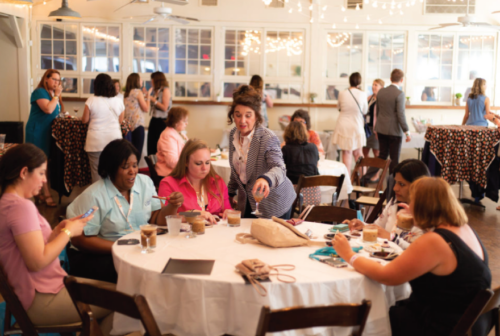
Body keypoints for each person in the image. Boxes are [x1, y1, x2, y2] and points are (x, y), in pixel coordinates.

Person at [333, 177, 491, 336]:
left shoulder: (435, 242)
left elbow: (386, 276)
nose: (410, 206)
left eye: (413, 201)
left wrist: (349, 254)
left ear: (423, 206)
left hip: (436, 327)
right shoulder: (464, 229)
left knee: (363, 320)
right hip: (467, 323)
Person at [0, 144, 114, 334]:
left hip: (34, 292)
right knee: (124, 301)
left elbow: (27, 248)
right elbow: (36, 262)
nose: (45, 180)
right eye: (42, 173)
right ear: (24, 172)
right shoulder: (21, 207)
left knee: (118, 291)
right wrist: (67, 233)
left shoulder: (7, 203)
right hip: (40, 296)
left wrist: (58, 231)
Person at [66, 139, 183, 283]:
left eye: (134, 165)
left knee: (170, 260)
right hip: (96, 255)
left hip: (135, 248)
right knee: (140, 274)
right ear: (111, 168)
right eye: (125, 166)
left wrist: (172, 206)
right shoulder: (94, 196)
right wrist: (122, 247)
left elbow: (156, 220)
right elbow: (80, 240)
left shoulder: (145, 183)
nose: (133, 171)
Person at [227, 85, 295, 219]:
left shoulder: (267, 137)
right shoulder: (233, 135)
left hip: (274, 203)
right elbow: (238, 169)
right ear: (232, 115)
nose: (242, 121)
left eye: (248, 115)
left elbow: (279, 168)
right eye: (238, 115)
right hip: (248, 202)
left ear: (256, 116)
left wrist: (266, 179)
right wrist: (229, 193)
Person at [344, 159, 430, 249]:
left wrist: (391, 238)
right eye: (395, 182)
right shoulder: (394, 203)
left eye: (401, 184)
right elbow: (378, 227)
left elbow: (418, 252)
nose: (395, 188)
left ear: (418, 186)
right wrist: (363, 226)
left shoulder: (427, 216)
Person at [158, 139, 232, 224]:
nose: (204, 168)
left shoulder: (217, 181)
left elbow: (227, 208)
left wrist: (228, 212)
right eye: (198, 163)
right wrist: (191, 215)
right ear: (186, 162)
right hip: (185, 235)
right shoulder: (168, 184)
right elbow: (163, 218)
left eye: (207, 163)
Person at [25, 69, 65, 207]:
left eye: (58, 80)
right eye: (54, 79)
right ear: (46, 79)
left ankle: (39, 194)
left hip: (47, 133)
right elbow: (48, 109)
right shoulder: (39, 92)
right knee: (38, 163)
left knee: (45, 163)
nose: (56, 83)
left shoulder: (53, 94)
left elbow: (56, 111)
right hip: (37, 131)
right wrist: (57, 96)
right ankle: (44, 194)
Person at [81, 74, 125, 183]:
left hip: (95, 142)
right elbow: (120, 121)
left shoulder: (91, 100)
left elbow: (84, 120)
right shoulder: (118, 100)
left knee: (96, 174)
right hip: (114, 142)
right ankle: (112, 198)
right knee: (113, 173)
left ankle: (98, 199)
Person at [373, 69, 410, 175]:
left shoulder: (381, 92)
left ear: (390, 79)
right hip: (394, 132)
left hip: (381, 129)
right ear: (402, 80)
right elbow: (401, 115)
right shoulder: (400, 94)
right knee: (394, 160)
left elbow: (378, 112)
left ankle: (365, 177)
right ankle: (391, 187)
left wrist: (377, 129)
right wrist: (407, 131)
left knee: (382, 157)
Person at [332, 72, 368, 171]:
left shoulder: (342, 93)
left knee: (346, 153)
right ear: (359, 82)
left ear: (349, 81)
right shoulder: (363, 94)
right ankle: (362, 179)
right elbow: (365, 110)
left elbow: (338, 107)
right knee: (359, 153)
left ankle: (347, 182)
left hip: (343, 125)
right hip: (356, 125)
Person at [155, 107, 189, 178]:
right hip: (169, 174)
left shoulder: (180, 133)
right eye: (184, 121)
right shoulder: (168, 135)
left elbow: (190, 148)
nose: (187, 123)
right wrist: (189, 163)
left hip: (177, 171)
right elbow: (172, 162)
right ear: (176, 122)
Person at [124, 73, 150, 160]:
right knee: (137, 152)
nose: (142, 81)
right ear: (136, 81)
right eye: (140, 79)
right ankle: (135, 172)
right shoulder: (138, 92)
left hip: (127, 125)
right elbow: (146, 108)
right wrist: (148, 97)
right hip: (137, 125)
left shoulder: (126, 94)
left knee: (129, 152)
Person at [364, 79, 385, 183]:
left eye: (376, 85)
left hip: (376, 129)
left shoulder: (382, 99)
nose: (373, 87)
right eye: (373, 85)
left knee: (376, 152)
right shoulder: (369, 98)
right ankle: (367, 172)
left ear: (381, 87)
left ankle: (376, 174)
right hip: (366, 129)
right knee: (365, 151)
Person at [147, 71, 172, 156]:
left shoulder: (165, 90)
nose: (151, 82)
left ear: (156, 80)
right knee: (151, 146)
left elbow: (165, 108)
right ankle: (152, 166)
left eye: (152, 80)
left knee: (159, 147)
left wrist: (153, 99)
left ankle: (159, 167)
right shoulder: (156, 91)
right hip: (154, 120)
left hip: (162, 121)